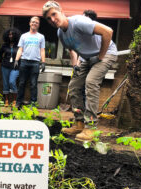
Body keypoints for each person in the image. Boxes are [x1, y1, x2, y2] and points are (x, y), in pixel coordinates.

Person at [42, 1, 118, 141]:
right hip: (86, 58)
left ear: (61, 11)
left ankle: (91, 128)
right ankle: (79, 123)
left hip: (106, 53)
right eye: (48, 18)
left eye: (54, 14)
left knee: (91, 82)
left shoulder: (78, 22)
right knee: (74, 86)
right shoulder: (60, 33)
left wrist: (101, 56)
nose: (52, 19)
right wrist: (75, 64)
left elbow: (108, 32)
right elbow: (72, 49)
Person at [14, 16, 46, 108]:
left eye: (36, 22)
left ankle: (33, 104)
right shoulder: (24, 36)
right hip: (24, 62)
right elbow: (20, 49)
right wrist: (16, 60)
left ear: (38, 25)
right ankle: (18, 102)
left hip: (35, 63)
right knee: (21, 83)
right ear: (29, 23)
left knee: (33, 84)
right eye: (33, 22)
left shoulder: (41, 37)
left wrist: (43, 62)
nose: (34, 23)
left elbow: (42, 50)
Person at [0, 28, 21, 107]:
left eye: (12, 34)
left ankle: (15, 100)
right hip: (5, 66)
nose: (10, 36)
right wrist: (2, 62)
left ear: (16, 35)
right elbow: (0, 54)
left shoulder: (19, 45)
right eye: (9, 34)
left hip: (15, 67)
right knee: (5, 83)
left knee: (12, 81)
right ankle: (6, 101)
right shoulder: (5, 45)